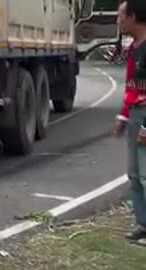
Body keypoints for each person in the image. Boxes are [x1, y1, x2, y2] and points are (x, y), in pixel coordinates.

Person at [113, 0, 146, 245]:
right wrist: (123, 115)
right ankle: (142, 224)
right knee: (134, 174)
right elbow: (130, 86)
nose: (119, 20)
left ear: (134, 17)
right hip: (135, 114)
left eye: (121, 16)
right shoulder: (134, 48)